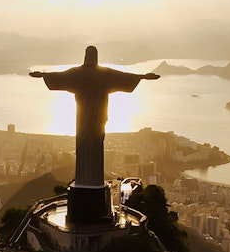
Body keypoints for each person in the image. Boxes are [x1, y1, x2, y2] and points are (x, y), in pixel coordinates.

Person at [30, 46, 158, 187]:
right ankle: (91, 181)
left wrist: (43, 75)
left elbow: (60, 77)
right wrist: (142, 77)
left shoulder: (78, 73)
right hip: (96, 116)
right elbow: (124, 77)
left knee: (87, 143)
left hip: (84, 117)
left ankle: (86, 181)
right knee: (94, 143)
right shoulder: (104, 74)